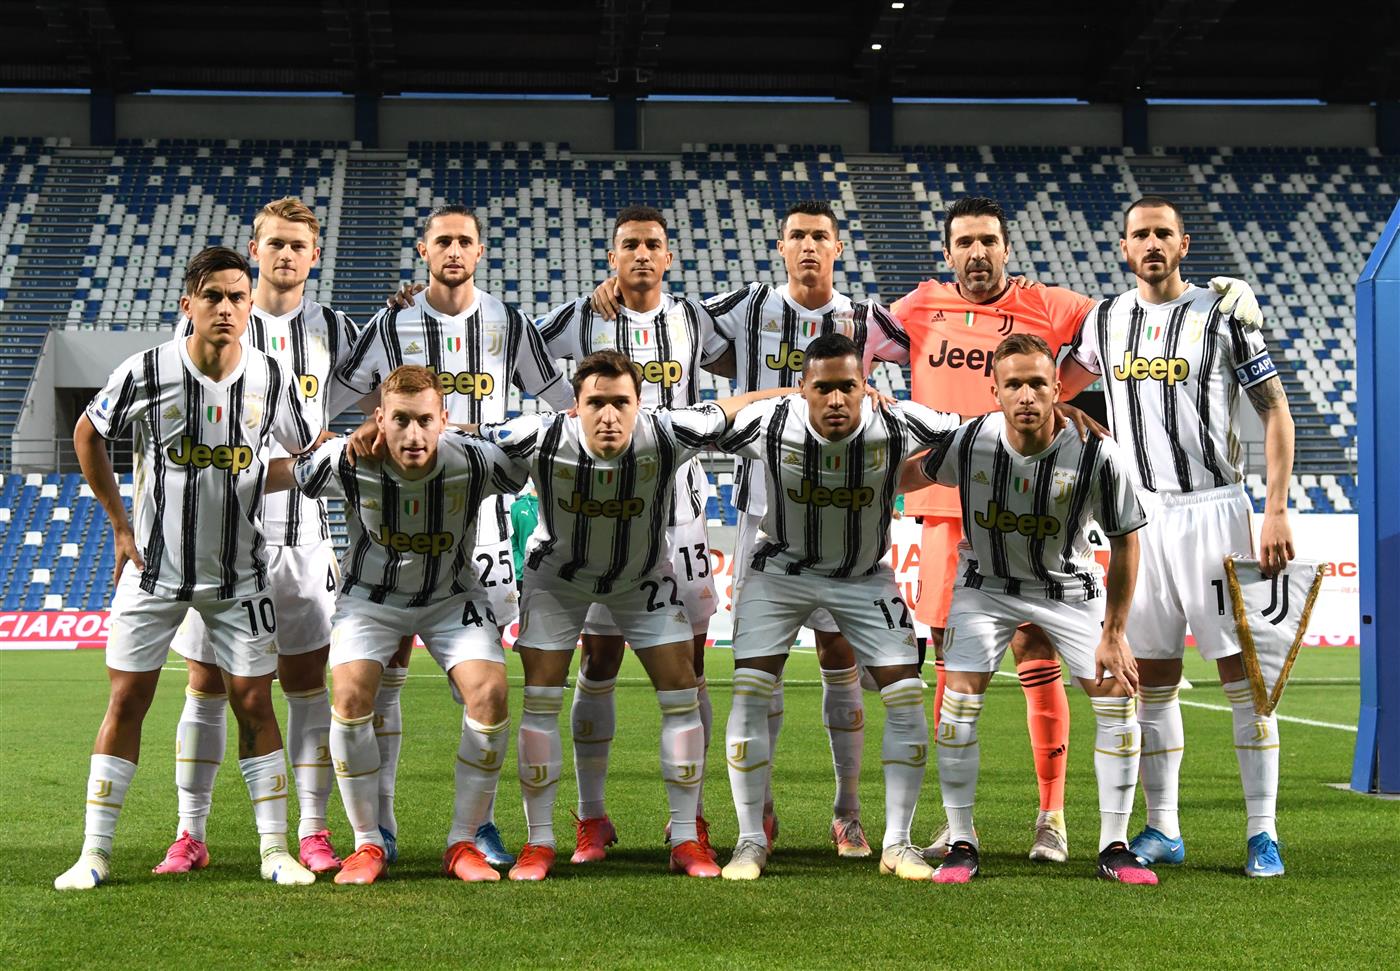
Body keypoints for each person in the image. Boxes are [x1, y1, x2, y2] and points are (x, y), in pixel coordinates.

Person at [877, 195, 1261, 861]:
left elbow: (1138, 308)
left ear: (1006, 246)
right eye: (964, 242)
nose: (976, 253)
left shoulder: (1054, 305)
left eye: (988, 241)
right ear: (946, 252)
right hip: (949, 504)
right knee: (954, 661)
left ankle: (1051, 813)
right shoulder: (919, 307)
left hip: (1047, 503)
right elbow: (847, 338)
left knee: (1037, 652)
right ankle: (955, 820)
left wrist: (1224, 295)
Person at [590, 199, 907, 858]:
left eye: (822, 235)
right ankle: (755, 814)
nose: (810, 246)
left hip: (847, 514)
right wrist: (615, 286)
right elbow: (663, 316)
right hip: (763, 513)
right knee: (754, 669)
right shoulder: (744, 306)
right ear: (781, 246)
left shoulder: (872, 319)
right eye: (798, 236)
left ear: (839, 246)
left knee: (837, 660)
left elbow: (935, 356)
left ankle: (847, 810)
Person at [55, 246, 322, 890]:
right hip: (154, 573)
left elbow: (303, 456)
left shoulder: (274, 378)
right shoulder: (148, 370)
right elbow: (89, 434)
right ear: (188, 305)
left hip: (240, 579)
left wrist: (291, 467)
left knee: (255, 701)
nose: (227, 307)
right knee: (127, 699)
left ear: (248, 303)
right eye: (213, 296)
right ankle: (94, 854)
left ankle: (275, 849)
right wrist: (119, 524)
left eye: (237, 295)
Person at [470, 349, 788, 881]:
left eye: (622, 402)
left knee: (682, 688)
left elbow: (733, 407)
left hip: (641, 580)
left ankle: (686, 837)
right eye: (596, 403)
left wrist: (800, 393)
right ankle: (540, 841)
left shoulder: (666, 432)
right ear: (574, 408)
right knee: (542, 700)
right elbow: (462, 431)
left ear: (641, 405)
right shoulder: (539, 435)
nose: (609, 415)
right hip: (559, 581)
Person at [1058, 195, 1295, 877]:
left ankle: (1262, 831)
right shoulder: (1105, 320)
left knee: (1243, 678)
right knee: (1151, 676)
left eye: (1164, 232)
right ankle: (1162, 826)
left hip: (1216, 509)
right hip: (1139, 518)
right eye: (1141, 234)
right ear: (1124, 247)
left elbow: (1274, 410)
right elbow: (1056, 379)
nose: (1152, 243)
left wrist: (1274, 508)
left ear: (1184, 244)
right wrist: (1070, 410)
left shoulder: (1223, 314)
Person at [336, 203, 573, 865]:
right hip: (402, 515)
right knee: (384, 677)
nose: (453, 250)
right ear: (424, 249)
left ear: (479, 249)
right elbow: (339, 396)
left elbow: (558, 401)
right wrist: (374, 428)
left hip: (486, 524)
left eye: (463, 240)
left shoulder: (507, 322)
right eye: (442, 239)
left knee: (481, 680)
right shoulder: (393, 322)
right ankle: (376, 828)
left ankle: (481, 823)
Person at [901, 332, 1155, 885]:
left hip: (1069, 588)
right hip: (986, 585)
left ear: (1057, 388)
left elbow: (1127, 539)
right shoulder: (969, 442)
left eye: (1037, 383)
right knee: (958, 703)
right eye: (1013, 384)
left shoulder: (1095, 452)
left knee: (1115, 699)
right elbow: (905, 477)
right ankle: (962, 839)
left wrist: (1115, 632)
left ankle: (1114, 843)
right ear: (993, 390)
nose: (1025, 395)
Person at [155, 197, 360, 877]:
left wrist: (411, 303)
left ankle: (311, 829)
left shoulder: (336, 328)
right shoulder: (218, 320)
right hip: (217, 536)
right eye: (274, 243)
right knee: (206, 684)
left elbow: (395, 368)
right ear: (255, 246)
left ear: (315, 255)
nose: (286, 255)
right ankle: (191, 830)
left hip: (301, 537)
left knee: (305, 685)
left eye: (298, 245)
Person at [714, 333, 960, 882]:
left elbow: (977, 432)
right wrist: (748, 400)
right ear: (802, 390)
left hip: (862, 577)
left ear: (865, 387)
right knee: (752, 688)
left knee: (904, 693)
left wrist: (1058, 412)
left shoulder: (896, 422)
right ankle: (751, 838)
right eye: (820, 388)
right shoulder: (774, 420)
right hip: (780, 572)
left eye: (846, 387)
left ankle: (898, 842)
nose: (834, 400)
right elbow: (692, 422)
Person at [282, 364, 529, 885]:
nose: (413, 435)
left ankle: (463, 841)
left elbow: (524, 461)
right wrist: (346, 437)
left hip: (451, 595)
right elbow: (303, 472)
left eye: (424, 421)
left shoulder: (475, 461)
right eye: (400, 421)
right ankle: (369, 843)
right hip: (371, 599)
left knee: (490, 693)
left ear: (444, 419)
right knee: (350, 698)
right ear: (379, 419)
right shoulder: (349, 461)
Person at [534, 205, 729, 862]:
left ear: (669, 257)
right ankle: (592, 817)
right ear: (611, 255)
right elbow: (518, 354)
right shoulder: (578, 316)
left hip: (682, 514)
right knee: (600, 659)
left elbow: (744, 360)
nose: (642, 255)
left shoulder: (694, 319)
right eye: (630, 246)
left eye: (653, 245)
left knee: (690, 666)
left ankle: (692, 817)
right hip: (604, 514)